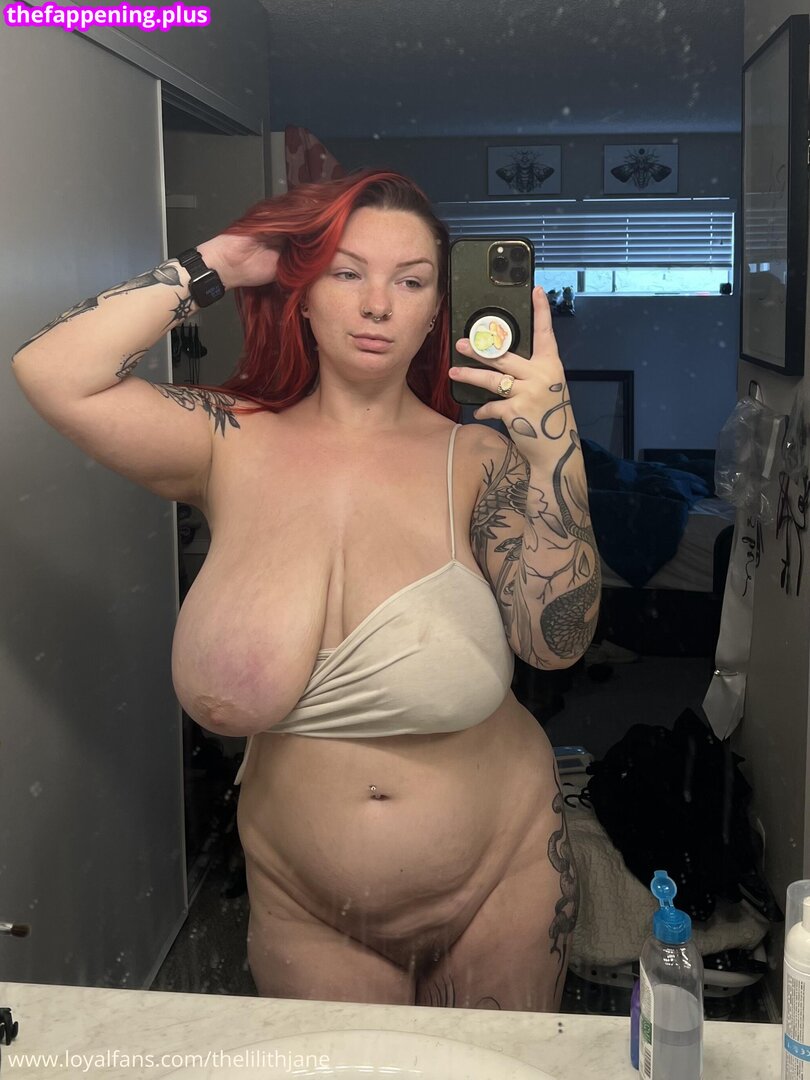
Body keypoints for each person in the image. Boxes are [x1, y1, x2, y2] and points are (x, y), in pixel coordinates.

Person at [12, 168, 600, 1011]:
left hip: (502, 878)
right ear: (304, 295)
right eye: (346, 271)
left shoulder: (478, 461)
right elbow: (51, 371)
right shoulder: (228, 440)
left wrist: (553, 443)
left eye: (411, 282)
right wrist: (220, 262)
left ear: (438, 311)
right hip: (307, 904)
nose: (377, 305)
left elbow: (556, 641)